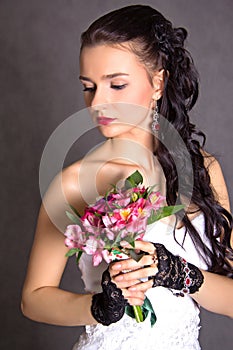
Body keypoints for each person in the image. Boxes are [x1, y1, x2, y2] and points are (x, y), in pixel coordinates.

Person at [21, 4, 233, 350]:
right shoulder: (73, 183)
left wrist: (181, 275)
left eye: (116, 85)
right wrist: (100, 307)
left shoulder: (202, 169)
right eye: (88, 87)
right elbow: (34, 298)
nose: (97, 103)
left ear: (158, 83)